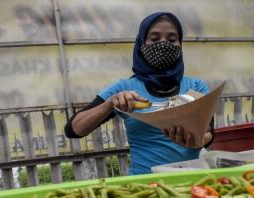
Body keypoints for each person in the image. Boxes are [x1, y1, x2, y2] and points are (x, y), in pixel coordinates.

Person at [64, 12, 214, 175]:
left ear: (180, 44)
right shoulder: (124, 88)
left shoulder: (196, 87)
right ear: (141, 44)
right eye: (154, 39)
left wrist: (196, 141)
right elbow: (73, 129)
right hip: (145, 184)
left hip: (193, 180)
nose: (163, 44)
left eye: (171, 40)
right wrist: (110, 104)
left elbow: (210, 133)